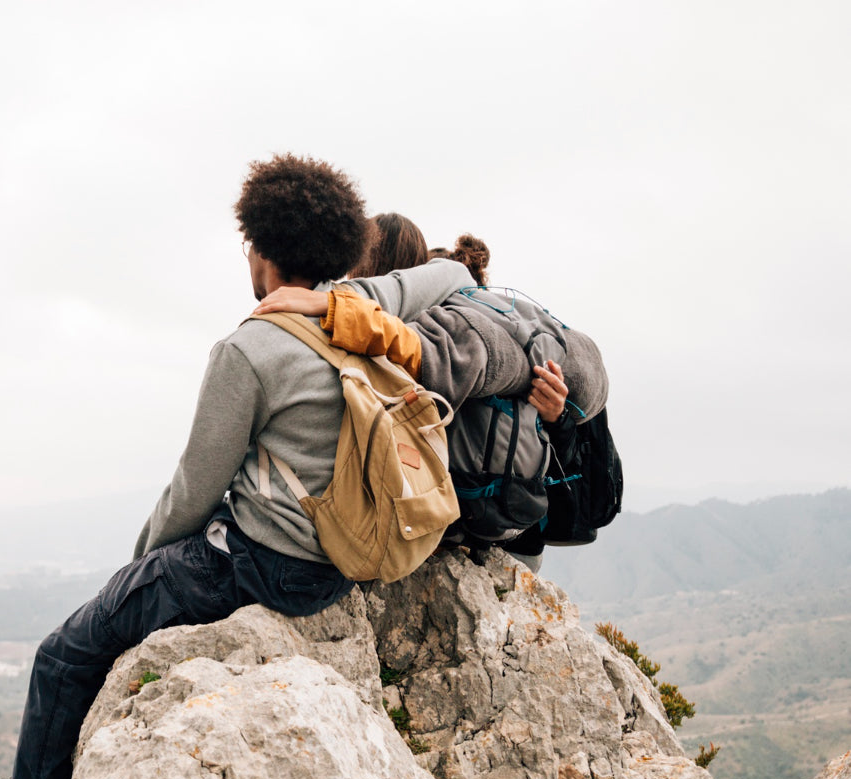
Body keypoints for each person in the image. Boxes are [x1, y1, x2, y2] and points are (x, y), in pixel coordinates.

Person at [0, 154, 475, 779]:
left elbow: (194, 490)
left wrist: (134, 572)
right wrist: (336, 305)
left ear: (264, 253)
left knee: (65, 651)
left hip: (257, 562)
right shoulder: (365, 307)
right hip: (336, 565)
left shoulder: (249, 349)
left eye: (248, 247)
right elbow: (457, 277)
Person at [254, 229, 600, 570]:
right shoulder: (518, 333)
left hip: (457, 530)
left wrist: (336, 309)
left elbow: (424, 355)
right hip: (514, 527)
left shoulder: (443, 328)